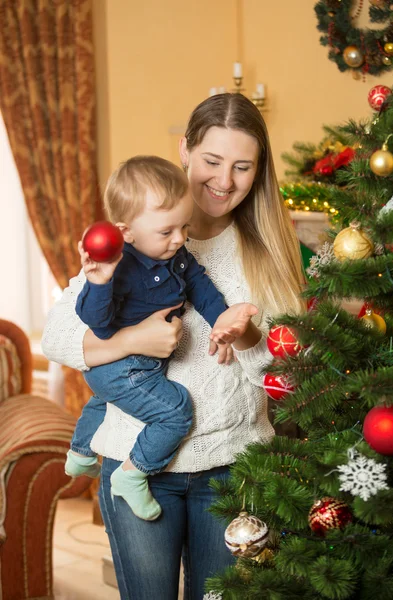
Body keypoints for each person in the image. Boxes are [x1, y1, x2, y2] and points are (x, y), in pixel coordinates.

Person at [42, 93, 305, 600]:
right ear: (185, 150)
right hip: (138, 467)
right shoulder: (133, 237)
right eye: (211, 160)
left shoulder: (266, 252)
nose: (224, 180)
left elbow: (284, 375)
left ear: (258, 171)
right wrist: (132, 339)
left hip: (231, 469)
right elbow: (58, 336)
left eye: (242, 166)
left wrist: (247, 337)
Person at [66, 155, 258, 522]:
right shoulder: (116, 266)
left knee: (106, 401)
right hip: (122, 367)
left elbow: (199, 285)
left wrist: (221, 318)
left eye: (184, 227)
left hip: (127, 375)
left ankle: (80, 454)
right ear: (126, 232)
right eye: (167, 231)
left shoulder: (177, 256)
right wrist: (99, 282)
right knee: (175, 410)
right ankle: (133, 474)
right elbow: (97, 324)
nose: (180, 239)